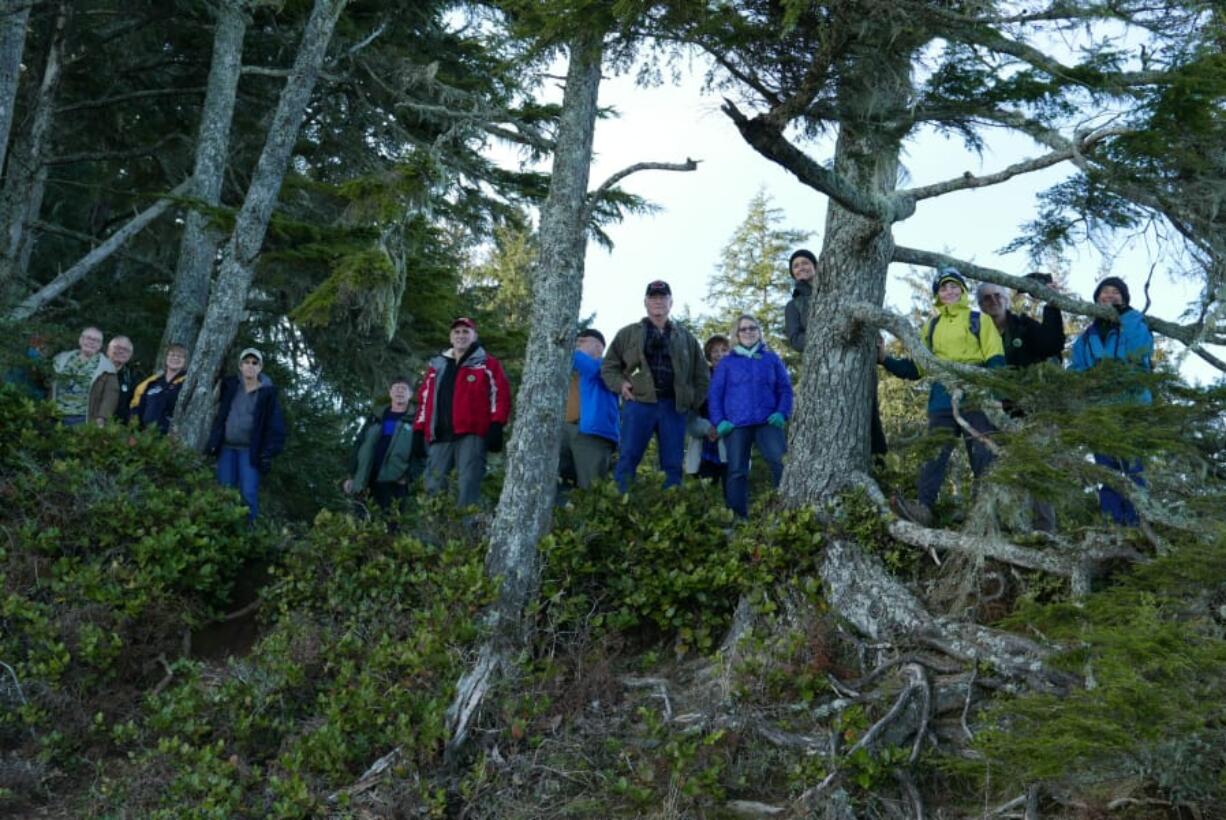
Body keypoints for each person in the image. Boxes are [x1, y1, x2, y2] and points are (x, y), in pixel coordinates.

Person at [880, 268, 1006, 527]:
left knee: (983, 453)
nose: (949, 291)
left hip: (975, 394)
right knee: (934, 453)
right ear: (937, 294)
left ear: (962, 290)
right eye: (943, 288)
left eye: (954, 286)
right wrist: (885, 360)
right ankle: (923, 507)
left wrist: (994, 396)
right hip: (941, 398)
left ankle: (986, 513)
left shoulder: (979, 320)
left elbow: (995, 358)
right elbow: (917, 367)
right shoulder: (931, 326)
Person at [976, 274, 1066, 531]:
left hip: (1033, 411)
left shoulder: (1024, 326)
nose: (993, 301)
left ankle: (1044, 533)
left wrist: (1051, 303)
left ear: (1007, 299)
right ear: (980, 306)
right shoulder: (976, 332)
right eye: (986, 298)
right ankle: (1011, 530)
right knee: (1001, 472)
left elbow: (1052, 343)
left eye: (998, 295)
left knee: (1039, 470)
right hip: (994, 415)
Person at [602, 280, 709, 491]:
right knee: (628, 459)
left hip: (673, 408)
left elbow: (702, 375)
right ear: (645, 302)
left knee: (672, 465)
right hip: (639, 404)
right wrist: (621, 385)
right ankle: (620, 512)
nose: (658, 301)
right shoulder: (628, 334)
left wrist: (691, 400)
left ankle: (670, 513)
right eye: (653, 297)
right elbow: (609, 366)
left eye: (663, 297)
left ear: (671, 302)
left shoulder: (687, 338)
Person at [784, 248, 888, 462]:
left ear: (816, 266)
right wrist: (824, 342)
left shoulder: (838, 291)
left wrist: (876, 341)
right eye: (796, 266)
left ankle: (877, 464)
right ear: (793, 274)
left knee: (867, 414)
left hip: (856, 361)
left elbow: (859, 316)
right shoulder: (793, 305)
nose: (801, 267)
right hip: (823, 368)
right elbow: (795, 340)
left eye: (805, 263)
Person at [1069, 276, 1154, 526]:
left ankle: (1138, 526)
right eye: (1104, 293)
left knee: (1134, 469)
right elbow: (1076, 370)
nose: (1110, 296)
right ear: (1096, 300)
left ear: (1125, 299)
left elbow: (1141, 350)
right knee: (1107, 471)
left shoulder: (1135, 322)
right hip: (1099, 412)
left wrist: (1127, 315)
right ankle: (1114, 527)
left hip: (1132, 407)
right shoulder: (1085, 337)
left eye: (1116, 293)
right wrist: (1091, 380)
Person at [414, 317, 511, 507]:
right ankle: (432, 533)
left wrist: (497, 424)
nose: (461, 335)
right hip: (440, 434)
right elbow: (424, 399)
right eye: (456, 332)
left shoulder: (487, 363)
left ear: (474, 336)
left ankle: (467, 533)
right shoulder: (437, 366)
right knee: (432, 485)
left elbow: (500, 395)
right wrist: (419, 429)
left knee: (468, 484)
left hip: (472, 434)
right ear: (450, 337)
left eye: (466, 331)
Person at [708, 314, 793, 518]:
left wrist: (782, 412)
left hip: (768, 422)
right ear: (736, 334)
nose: (748, 332)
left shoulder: (771, 359)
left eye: (752, 328)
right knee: (736, 471)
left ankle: (786, 513)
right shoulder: (727, 363)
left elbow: (786, 389)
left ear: (759, 332)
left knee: (781, 464)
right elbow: (715, 394)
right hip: (736, 426)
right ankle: (738, 519)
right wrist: (719, 422)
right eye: (744, 329)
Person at [206, 348, 286, 522]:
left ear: (260, 367)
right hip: (226, 449)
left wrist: (268, 453)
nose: (250, 366)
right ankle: (224, 533)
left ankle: (249, 537)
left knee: (248, 494)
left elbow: (276, 428)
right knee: (224, 492)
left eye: (254, 363)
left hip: (250, 452)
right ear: (240, 366)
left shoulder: (267, 394)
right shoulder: (229, 386)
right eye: (246, 362)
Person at [344, 376, 422, 514]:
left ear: (410, 394)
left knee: (391, 526)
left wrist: (409, 476)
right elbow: (359, 443)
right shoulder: (376, 416)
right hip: (366, 479)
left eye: (404, 389)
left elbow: (423, 453)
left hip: (394, 482)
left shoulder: (416, 421)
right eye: (396, 388)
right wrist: (351, 475)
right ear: (390, 393)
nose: (399, 391)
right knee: (361, 526)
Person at [560, 329, 619, 489]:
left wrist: (567, 348)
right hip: (564, 430)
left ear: (599, 347)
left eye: (582, 341)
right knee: (558, 483)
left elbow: (592, 370)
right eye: (576, 341)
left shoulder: (607, 365)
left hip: (591, 434)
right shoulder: (571, 366)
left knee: (591, 488)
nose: (577, 344)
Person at [684, 335, 729, 483]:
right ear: (709, 354)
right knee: (704, 485)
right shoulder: (699, 378)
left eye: (724, 350)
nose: (720, 354)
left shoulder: (736, 375)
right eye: (715, 351)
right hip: (704, 438)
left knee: (731, 483)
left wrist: (723, 427)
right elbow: (690, 411)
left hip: (729, 437)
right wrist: (707, 428)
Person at [50, 326, 117, 426]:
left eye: (96, 340)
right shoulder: (60, 359)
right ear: (81, 340)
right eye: (88, 338)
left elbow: (111, 396)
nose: (91, 342)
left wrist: (102, 417)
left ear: (100, 345)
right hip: (56, 416)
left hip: (83, 419)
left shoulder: (107, 367)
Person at [130, 344, 188, 433]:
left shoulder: (187, 383)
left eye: (180, 356)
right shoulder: (151, 382)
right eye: (172, 355)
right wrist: (134, 430)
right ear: (166, 358)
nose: (175, 358)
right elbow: (138, 407)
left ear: (185, 361)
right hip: (145, 435)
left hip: (171, 437)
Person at [106, 336, 140, 424]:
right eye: (117, 347)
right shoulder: (95, 369)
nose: (121, 351)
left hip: (115, 430)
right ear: (108, 350)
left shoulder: (131, 378)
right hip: (87, 426)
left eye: (126, 350)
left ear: (130, 355)